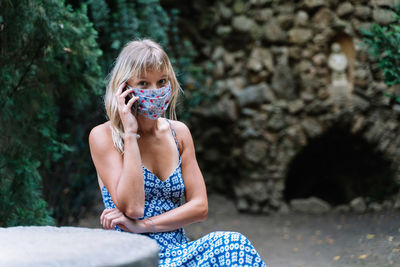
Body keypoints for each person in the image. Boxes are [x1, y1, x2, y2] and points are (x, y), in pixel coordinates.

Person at [89, 39, 267, 267]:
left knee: (233, 244)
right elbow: (133, 208)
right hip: (133, 255)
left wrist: (145, 225)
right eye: (143, 83)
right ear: (123, 89)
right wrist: (131, 134)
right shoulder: (104, 137)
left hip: (180, 251)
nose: (155, 91)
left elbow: (200, 206)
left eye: (161, 81)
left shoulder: (179, 133)